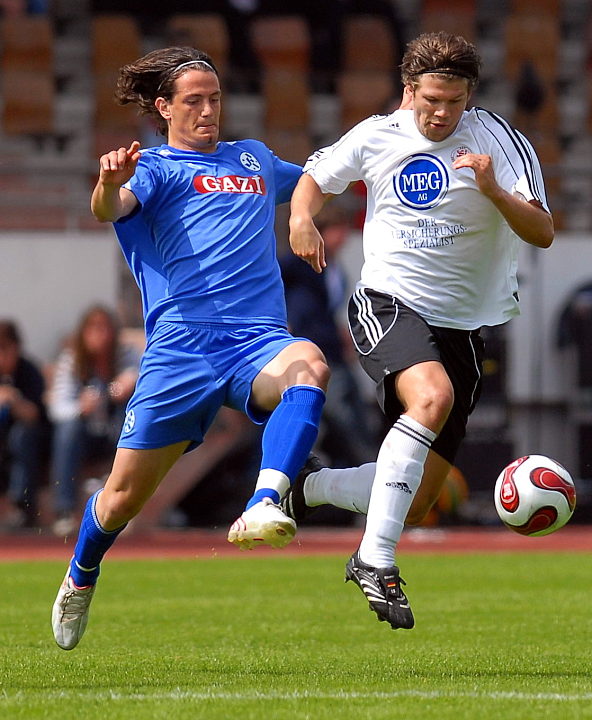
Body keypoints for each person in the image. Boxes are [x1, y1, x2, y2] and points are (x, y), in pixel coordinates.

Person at [51, 46, 329, 651]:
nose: (208, 111)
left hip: (256, 340)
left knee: (309, 365)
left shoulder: (253, 158)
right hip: (180, 352)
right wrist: (108, 182)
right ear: (164, 107)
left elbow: (319, 176)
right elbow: (110, 208)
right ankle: (82, 572)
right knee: (121, 500)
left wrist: (307, 211)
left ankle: (265, 501)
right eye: (194, 101)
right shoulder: (154, 168)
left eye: (215, 99)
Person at [286, 31, 554, 630]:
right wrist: (302, 216)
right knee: (431, 397)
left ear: (469, 97)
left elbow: (542, 231)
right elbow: (315, 177)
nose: (440, 113)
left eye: (454, 102)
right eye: (431, 99)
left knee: (420, 497)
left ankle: (310, 488)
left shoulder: (499, 142)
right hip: (386, 302)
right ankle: (374, 560)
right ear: (409, 90)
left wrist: (492, 190)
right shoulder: (377, 134)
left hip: (462, 328)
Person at [280, 203, 377, 471]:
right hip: (310, 349)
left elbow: (328, 309)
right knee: (343, 417)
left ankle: (360, 470)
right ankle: (366, 469)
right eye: (337, 230)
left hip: (333, 351)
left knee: (355, 413)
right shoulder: (297, 264)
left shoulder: (334, 268)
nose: (343, 237)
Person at [47, 305, 140, 538]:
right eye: (94, 328)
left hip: (116, 430)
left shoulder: (126, 354)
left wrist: (128, 382)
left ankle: (123, 505)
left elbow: (142, 374)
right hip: (84, 435)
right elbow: (57, 409)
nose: (101, 335)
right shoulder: (72, 360)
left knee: (132, 417)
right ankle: (64, 511)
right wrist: (81, 406)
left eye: (106, 328)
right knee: (67, 430)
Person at [0, 320, 48, 528]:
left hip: (31, 441)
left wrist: (14, 400)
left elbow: (34, 414)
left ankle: (22, 505)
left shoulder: (29, 371)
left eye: (5, 349)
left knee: (21, 435)